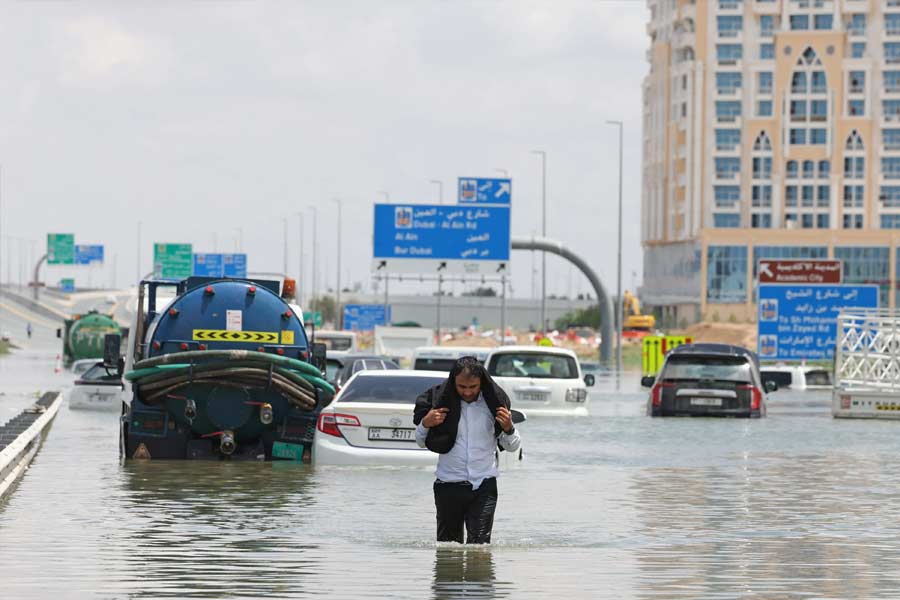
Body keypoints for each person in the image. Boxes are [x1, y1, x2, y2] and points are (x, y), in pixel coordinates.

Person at [413, 356, 521, 544]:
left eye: (473, 387)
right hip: (448, 485)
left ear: (482, 383)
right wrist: (425, 423)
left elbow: (512, 447)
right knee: (447, 549)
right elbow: (421, 442)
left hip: (484, 486)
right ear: (453, 382)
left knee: (480, 549)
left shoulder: (493, 405)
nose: (468, 392)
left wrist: (509, 428)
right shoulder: (440, 405)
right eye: (462, 387)